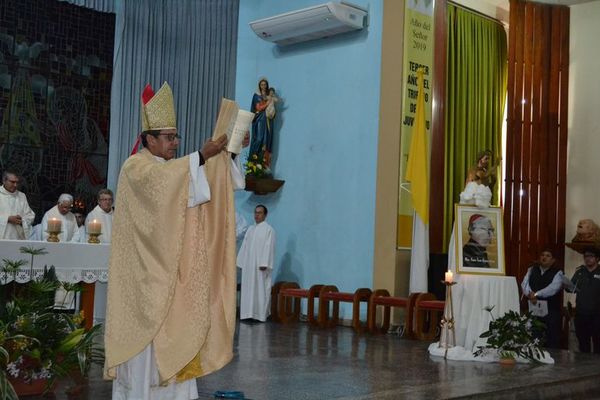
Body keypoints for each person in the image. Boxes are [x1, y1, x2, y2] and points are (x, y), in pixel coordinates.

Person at [104, 82, 247, 399]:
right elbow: (165, 185)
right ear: (149, 139)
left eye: (176, 136)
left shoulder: (175, 169)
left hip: (171, 276)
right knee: (149, 350)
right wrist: (199, 156)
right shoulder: (136, 167)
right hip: (145, 284)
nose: (175, 142)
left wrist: (228, 152)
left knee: (177, 335)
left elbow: (200, 189)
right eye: (169, 137)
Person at [237, 204, 276, 322]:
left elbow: (269, 247)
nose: (256, 215)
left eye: (259, 213)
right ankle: (247, 314)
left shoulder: (269, 229)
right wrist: (241, 262)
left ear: (265, 215)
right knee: (248, 289)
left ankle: (260, 315)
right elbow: (244, 246)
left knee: (260, 289)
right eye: (255, 213)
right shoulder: (250, 229)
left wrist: (265, 262)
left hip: (260, 266)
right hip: (249, 266)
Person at [521, 249, 564, 348]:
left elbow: (553, 288)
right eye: (542, 255)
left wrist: (535, 294)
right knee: (534, 336)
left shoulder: (558, 272)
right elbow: (524, 284)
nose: (544, 257)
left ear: (553, 260)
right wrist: (529, 294)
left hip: (552, 310)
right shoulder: (532, 269)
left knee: (552, 338)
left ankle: (554, 359)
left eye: (548, 255)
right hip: (534, 309)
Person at [564, 247, 600, 353]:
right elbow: (571, 288)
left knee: (598, 343)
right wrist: (566, 285)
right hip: (581, 314)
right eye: (586, 256)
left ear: (597, 258)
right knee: (583, 344)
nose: (588, 259)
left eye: (591, 256)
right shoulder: (580, 271)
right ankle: (584, 369)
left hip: (597, 315)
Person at [0, 171, 35, 240]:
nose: (15, 185)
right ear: (4, 181)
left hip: (17, 237)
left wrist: (22, 220)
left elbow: (30, 215)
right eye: (12, 182)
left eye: (17, 182)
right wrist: (7, 219)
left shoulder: (22, 196)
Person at [249, 78, 275, 168]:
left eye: (265, 84)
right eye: (262, 84)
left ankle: (262, 162)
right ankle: (253, 158)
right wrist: (267, 103)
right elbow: (258, 108)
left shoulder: (267, 96)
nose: (263, 86)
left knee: (265, 140)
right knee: (259, 138)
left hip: (267, 120)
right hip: (259, 119)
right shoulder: (256, 96)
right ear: (259, 86)